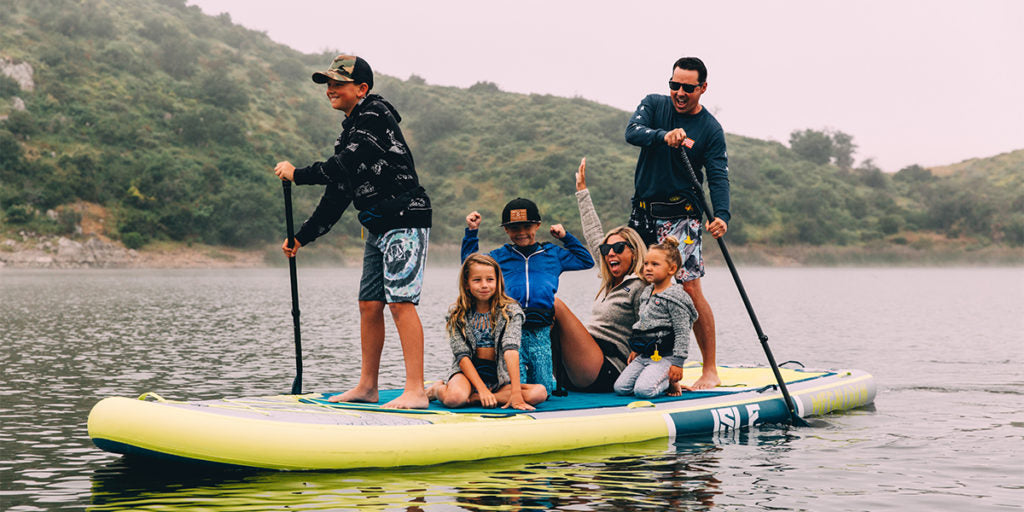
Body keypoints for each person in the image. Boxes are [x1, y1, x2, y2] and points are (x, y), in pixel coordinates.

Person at [272, 55, 432, 409]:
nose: (330, 89)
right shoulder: (350, 132)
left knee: (400, 303)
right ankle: (367, 386)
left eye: (338, 83)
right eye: (327, 84)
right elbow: (337, 194)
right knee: (369, 304)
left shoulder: (374, 114)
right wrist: (303, 236)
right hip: (376, 225)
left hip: (405, 218)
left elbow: (342, 166)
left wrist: (297, 174)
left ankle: (416, 390)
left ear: (361, 89)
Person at [624, 56, 729, 389]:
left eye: (688, 87)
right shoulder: (654, 105)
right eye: (675, 85)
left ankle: (709, 369)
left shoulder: (709, 129)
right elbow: (632, 133)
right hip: (643, 212)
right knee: (636, 283)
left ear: (703, 88)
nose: (680, 93)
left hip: (681, 216)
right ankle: (643, 359)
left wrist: (722, 216)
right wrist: (662, 136)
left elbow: (718, 176)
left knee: (689, 287)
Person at [462, 198, 594, 395]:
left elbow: (586, 261)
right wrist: (472, 232)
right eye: (514, 228)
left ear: (537, 225)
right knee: (516, 385)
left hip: (541, 330)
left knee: (545, 390)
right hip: (509, 329)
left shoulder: (552, 253)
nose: (521, 232)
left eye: (527, 226)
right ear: (506, 230)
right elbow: (469, 265)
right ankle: (496, 396)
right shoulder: (499, 257)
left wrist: (565, 237)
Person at [549, 158, 649, 392]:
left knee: (552, 302)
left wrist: (664, 372)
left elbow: (654, 327)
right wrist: (582, 191)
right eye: (606, 250)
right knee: (537, 308)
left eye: (619, 249)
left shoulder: (641, 286)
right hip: (581, 364)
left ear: (634, 253)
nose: (610, 253)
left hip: (608, 367)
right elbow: (594, 233)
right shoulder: (609, 282)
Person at [427, 254, 548, 410]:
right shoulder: (456, 314)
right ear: (467, 284)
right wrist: (482, 389)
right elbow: (462, 356)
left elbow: (511, 349)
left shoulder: (511, 311)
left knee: (539, 393)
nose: (484, 285)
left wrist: (516, 394)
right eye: (477, 280)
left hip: (498, 379)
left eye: (490, 279)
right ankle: (437, 389)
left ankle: (476, 398)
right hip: (466, 375)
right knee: (455, 399)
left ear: (498, 282)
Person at [613, 237, 697, 398]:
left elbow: (682, 333)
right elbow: (642, 323)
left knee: (643, 391)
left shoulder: (675, 297)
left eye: (655, 264)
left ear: (671, 269)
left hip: (665, 356)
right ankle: (653, 376)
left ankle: (669, 383)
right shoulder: (647, 292)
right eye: (646, 264)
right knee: (620, 388)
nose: (648, 268)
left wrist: (677, 364)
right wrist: (636, 349)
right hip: (645, 355)